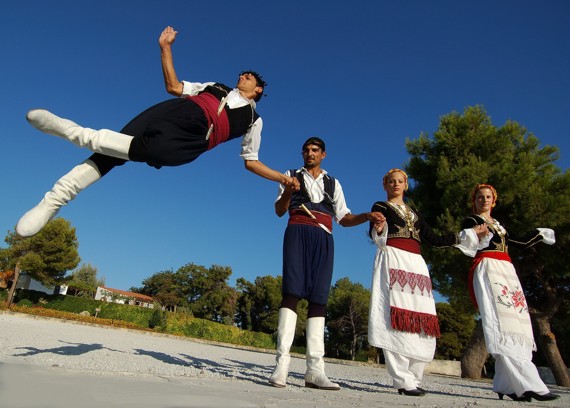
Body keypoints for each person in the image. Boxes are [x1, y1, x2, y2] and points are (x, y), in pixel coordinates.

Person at [16, 26, 299, 237]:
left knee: (152, 151)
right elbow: (174, 87)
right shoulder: (215, 85)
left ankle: (71, 131)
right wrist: (165, 47)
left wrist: (282, 179)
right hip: (174, 112)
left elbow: (251, 161)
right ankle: (53, 201)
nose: (242, 76)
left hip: (195, 138)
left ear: (258, 89)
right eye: (242, 74)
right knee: (109, 155)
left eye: (248, 77)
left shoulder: (254, 120)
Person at [269, 137, 384, 390]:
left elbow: (343, 217)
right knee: (291, 292)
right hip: (297, 232)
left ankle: (315, 370)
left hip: (324, 236)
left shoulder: (334, 183)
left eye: (314, 150)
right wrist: (289, 189)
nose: (309, 153)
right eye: (306, 150)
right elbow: (279, 210)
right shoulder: (289, 175)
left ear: (323, 154)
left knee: (319, 298)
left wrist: (366, 215)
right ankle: (282, 365)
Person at [367, 169, 486, 397]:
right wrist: (378, 228)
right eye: (391, 182)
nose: (396, 185)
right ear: (385, 185)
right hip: (394, 259)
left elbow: (435, 240)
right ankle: (401, 379)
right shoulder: (380, 207)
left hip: (416, 265)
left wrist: (468, 233)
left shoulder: (415, 213)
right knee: (398, 316)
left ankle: (414, 376)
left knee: (420, 318)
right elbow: (376, 228)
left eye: (400, 181)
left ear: (406, 185)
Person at [461, 184, 560, 402]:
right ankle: (531, 384)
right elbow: (466, 240)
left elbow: (520, 242)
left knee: (516, 324)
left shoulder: (498, 225)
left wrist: (538, 233)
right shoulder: (472, 221)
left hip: (507, 270)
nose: (484, 200)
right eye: (480, 197)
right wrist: (476, 234)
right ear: (474, 201)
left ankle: (506, 385)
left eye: (488, 197)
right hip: (488, 268)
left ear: (493, 201)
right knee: (501, 323)